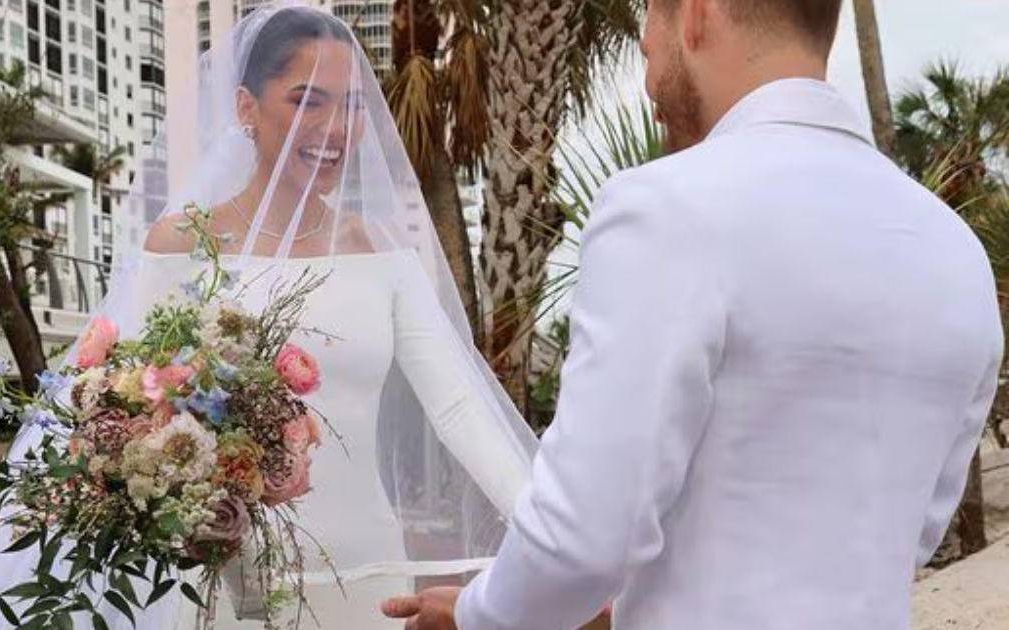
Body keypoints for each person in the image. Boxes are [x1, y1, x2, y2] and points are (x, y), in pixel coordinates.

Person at [0, 4, 540, 628]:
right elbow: (117, 399)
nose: (336, 128)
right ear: (246, 107)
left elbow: (459, 406)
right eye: (307, 100)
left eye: (351, 105)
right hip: (221, 574)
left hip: (365, 570)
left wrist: (549, 535)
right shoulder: (181, 245)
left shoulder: (383, 254)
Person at [382, 0, 1003, 628]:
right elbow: (903, 539)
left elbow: (583, 539)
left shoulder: (665, 208)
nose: (646, 51)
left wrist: (476, 614)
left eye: (650, 19)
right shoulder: (956, 252)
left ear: (697, 14)